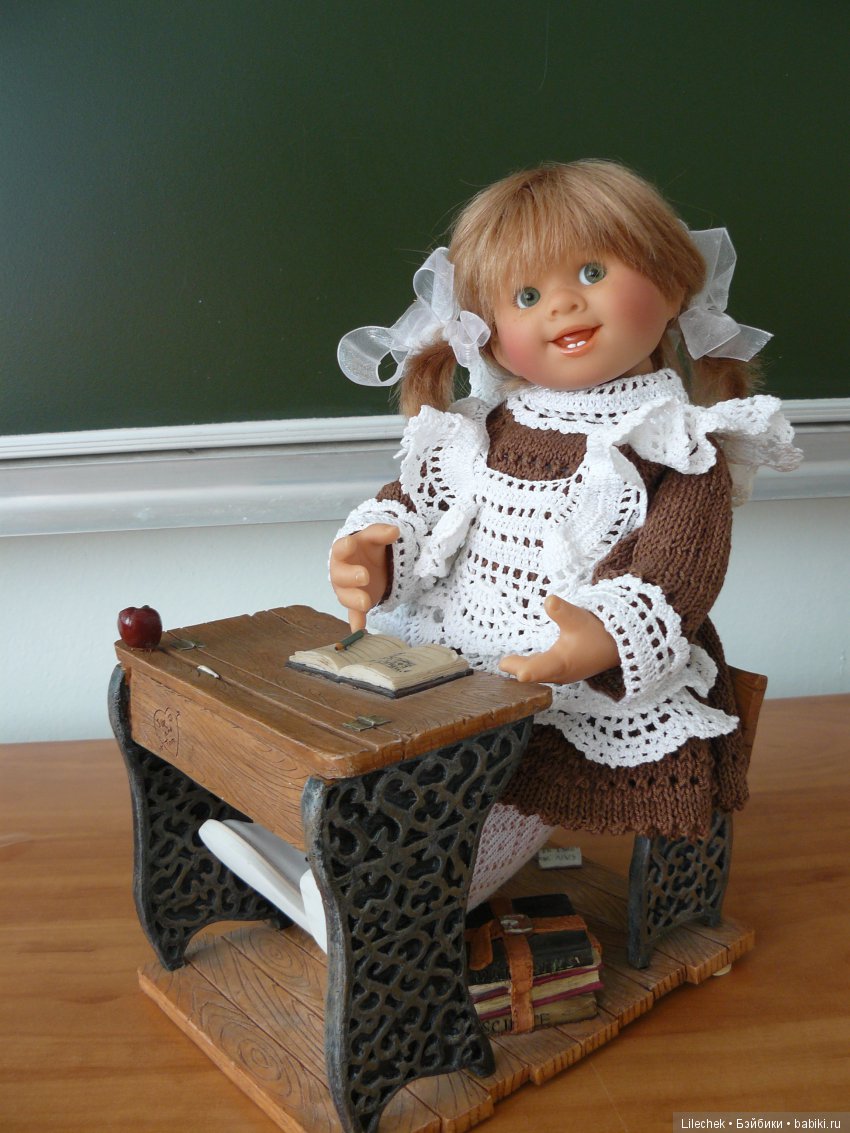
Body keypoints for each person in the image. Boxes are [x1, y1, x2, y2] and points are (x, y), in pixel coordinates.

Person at [330, 160, 801, 908]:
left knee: (494, 801)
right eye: (526, 296)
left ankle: (414, 901)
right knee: (379, 772)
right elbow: (421, 506)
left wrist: (602, 635)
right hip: (452, 670)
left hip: (573, 693)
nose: (563, 304)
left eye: (591, 271)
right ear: (486, 335)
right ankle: (343, 875)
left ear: (671, 283)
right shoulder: (479, 430)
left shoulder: (678, 444)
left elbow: (676, 572)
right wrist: (380, 550)